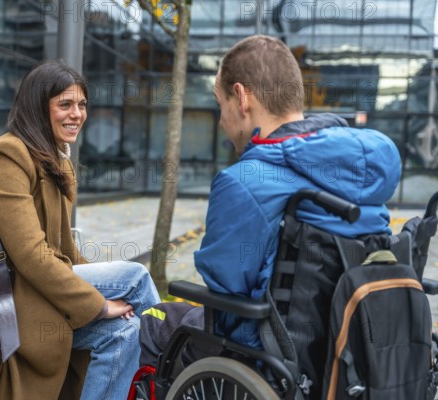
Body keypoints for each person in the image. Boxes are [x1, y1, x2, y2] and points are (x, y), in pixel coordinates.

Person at [139, 34, 401, 365]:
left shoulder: (245, 181)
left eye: (221, 106)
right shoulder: (362, 171)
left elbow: (224, 285)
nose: (221, 121)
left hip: (264, 350)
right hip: (352, 348)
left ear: (241, 98)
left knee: (152, 319)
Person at [0, 60, 160, 400]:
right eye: (65, 104)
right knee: (135, 277)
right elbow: (31, 254)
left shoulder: (54, 160)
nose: (77, 114)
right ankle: (165, 373)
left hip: (33, 286)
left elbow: (65, 250)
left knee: (125, 331)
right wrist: (98, 304)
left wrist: (99, 299)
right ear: (37, 108)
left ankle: (156, 374)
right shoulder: (5, 157)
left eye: (82, 105)